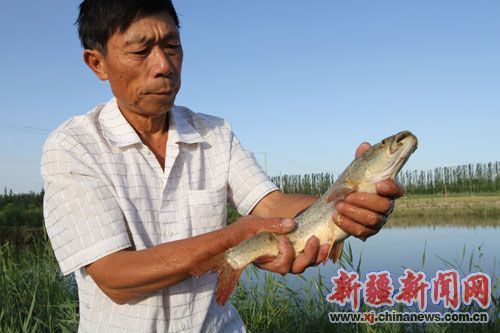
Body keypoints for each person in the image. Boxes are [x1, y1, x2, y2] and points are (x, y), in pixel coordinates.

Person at [41, 1, 404, 332]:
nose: (163, 66)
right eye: (140, 50)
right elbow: (115, 277)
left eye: (172, 46)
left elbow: (271, 206)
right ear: (97, 63)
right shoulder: (73, 147)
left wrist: (348, 204)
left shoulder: (214, 133)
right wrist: (236, 237)